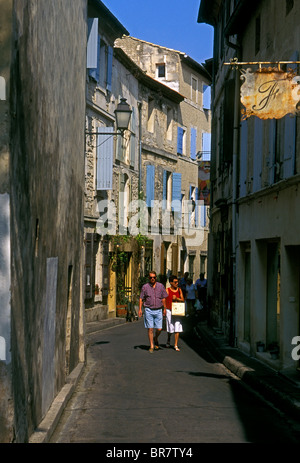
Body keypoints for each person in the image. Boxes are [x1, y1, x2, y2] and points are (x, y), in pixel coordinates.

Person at [139, 271, 168, 353]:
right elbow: (141, 298)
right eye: (151, 277)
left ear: (156, 278)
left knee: (159, 328)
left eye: (154, 277)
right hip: (148, 310)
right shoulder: (145, 287)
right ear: (149, 278)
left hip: (158, 310)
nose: (152, 279)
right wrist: (140, 309)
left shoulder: (161, 286)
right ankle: (152, 345)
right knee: (150, 329)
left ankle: (155, 338)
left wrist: (165, 308)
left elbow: (163, 298)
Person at [165, 275, 184, 351]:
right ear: (171, 283)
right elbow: (164, 300)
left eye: (177, 282)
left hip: (178, 311)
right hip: (169, 310)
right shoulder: (167, 290)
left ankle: (176, 344)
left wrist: (177, 299)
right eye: (175, 282)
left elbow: (182, 299)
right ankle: (169, 339)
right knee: (170, 326)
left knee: (177, 326)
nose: (177, 283)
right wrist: (164, 309)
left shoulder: (179, 290)